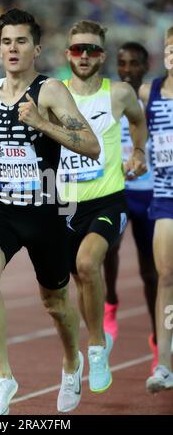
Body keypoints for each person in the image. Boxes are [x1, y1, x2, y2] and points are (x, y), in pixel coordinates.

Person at [0, 9, 100, 415]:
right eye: (5, 41)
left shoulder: (50, 91)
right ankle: (4, 378)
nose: (12, 48)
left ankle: (73, 363)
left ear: (36, 49)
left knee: (54, 302)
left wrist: (42, 122)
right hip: (0, 207)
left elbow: (91, 145)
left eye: (20, 41)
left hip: (45, 212)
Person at [57, 20, 148, 393]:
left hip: (108, 199)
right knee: (73, 283)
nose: (84, 55)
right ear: (67, 53)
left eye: (91, 49)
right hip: (64, 204)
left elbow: (139, 121)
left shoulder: (120, 93)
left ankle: (96, 347)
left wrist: (138, 150)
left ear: (102, 55)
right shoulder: (52, 92)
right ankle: (76, 356)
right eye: (77, 49)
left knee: (87, 263)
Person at [103, 42, 158, 373]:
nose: (127, 69)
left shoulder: (158, 99)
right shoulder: (111, 99)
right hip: (118, 190)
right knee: (107, 247)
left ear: (145, 66)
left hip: (151, 193)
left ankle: (156, 340)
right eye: (122, 63)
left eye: (134, 63)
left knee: (150, 273)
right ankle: (110, 301)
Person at [140, 27, 173, 393]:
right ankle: (164, 364)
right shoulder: (149, 93)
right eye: (169, 50)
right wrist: (135, 156)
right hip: (165, 197)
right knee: (165, 277)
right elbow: (134, 135)